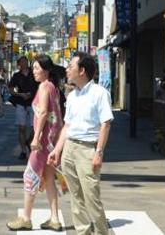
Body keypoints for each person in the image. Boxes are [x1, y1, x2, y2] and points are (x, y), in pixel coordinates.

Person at [48, 52, 113, 235]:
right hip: (69, 148)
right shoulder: (72, 96)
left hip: (87, 149)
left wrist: (98, 153)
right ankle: (82, 232)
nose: (67, 70)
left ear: (82, 70)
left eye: (71, 66)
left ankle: (101, 232)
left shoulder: (100, 93)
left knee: (91, 197)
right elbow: (67, 126)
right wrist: (57, 151)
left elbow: (105, 124)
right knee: (75, 198)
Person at [7, 55, 65, 232]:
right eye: (33, 68)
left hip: (43, 140)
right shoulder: (53, 87)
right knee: (48, 179)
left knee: (30, 175)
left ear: (46, 70)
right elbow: (57, 116)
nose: (34, 71)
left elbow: (42, 113)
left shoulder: (44, 86)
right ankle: (54, 219)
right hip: (52, 140)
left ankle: (26, 218)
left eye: (37, 68)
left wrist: (36, 137)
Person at [9, 56, 39, 160]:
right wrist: (20, 94)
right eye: (21, 62)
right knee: (21, 128)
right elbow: (11, 89)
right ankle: (23, 150)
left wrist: (32, 94)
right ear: (19, 64)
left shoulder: (33, 74)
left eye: (25, 61)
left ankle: (28, 141)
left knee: (35, 128)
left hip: (33, 103)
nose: (24, 63)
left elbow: (40, 86)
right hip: (21, 103)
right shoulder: (16, 75)